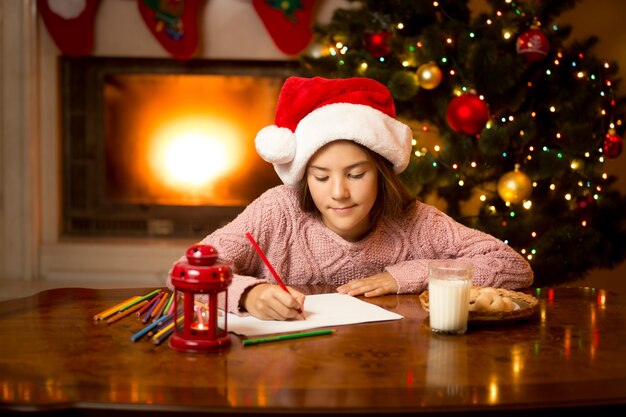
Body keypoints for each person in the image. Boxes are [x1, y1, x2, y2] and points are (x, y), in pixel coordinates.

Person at [168, 76, 534, 321]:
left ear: (382, 173)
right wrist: (248, 294)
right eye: (321, 177)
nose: (339, 192)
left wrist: (404, 275)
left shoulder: (417, 221)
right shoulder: (277, 210)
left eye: (356, 174)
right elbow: (185, 272)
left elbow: (513, 266)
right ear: (303, 177)